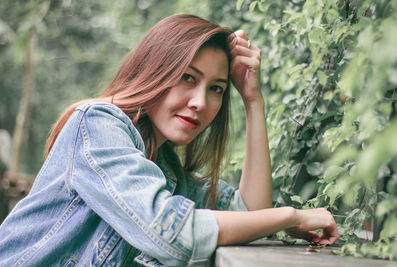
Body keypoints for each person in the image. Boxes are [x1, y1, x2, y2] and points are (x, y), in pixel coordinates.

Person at [0, 14, 339, 266]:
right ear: (156, 70)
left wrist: (253, 101)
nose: (200, 102)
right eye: (187, 78)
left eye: (216, 89)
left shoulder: (166, 173)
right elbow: (170, 233)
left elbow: (251, 213)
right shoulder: (97, 126)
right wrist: (292, 216)